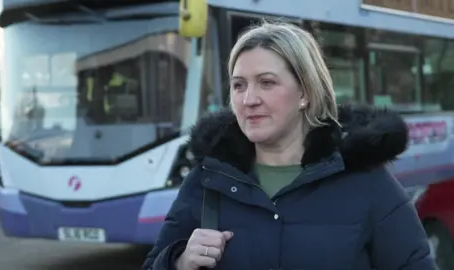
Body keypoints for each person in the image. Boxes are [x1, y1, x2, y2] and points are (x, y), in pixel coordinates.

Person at [142, 21, 436, 270]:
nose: (249, 99)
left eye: (267, 83)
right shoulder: (207, 181)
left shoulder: (369, 184)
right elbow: (156, 262)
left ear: (305, 93)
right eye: (239, 85)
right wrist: (177, 261)